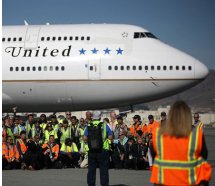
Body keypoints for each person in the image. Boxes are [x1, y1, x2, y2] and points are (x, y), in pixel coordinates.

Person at [150, 101, 212, 186]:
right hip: (189, 181)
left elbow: (153, 153)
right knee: (204, 168)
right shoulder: (196, 134)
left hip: (164, 181)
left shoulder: (158, 133)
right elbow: (204, 155)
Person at [84, 111, 113, 186]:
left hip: (92, 150)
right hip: (103, 150)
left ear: (92, 117)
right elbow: (110, 137)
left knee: (91, 170)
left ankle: (91, 184)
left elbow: (84, 138)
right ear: (100, 117)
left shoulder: (89, 125)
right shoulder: (105, 125)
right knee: (103, 170)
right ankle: (104, 184)